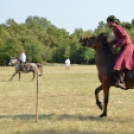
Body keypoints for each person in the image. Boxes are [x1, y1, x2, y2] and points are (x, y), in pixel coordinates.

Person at [107, 15, 134, 89]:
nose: (107, 24)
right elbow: (120, 39)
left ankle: (121, 82)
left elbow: (124, 38)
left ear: (112, 22)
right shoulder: (115, 28)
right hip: (126, 46)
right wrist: (111, 42)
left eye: (108, 22)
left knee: (118, 63)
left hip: (127, 47)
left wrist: (115, 46)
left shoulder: (117, 28)